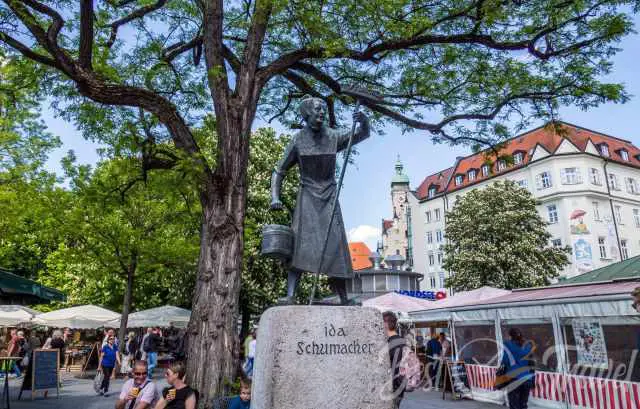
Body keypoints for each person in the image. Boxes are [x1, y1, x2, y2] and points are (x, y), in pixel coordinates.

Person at [270, 96, 370, 304]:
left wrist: (364, 121)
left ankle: (343, 298)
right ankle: (290, 295)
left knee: (336, 248)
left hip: (329, 197)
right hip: (307, 197)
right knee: (299, 246)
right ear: (306, 114)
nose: (322, 113)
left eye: (323, 109)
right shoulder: (298, 140)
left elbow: (362, 134)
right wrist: (275, 197)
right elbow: (279, 170)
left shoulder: (333, 136)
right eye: (317, 110)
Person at [502, 328, 536, 409]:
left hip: (513, 379)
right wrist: (533, 380)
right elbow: (532, 364)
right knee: (523, 405)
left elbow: (505, 361)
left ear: (510, 336)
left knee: (514, 405)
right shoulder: (528, 346)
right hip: (527, 379)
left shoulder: (507, 345)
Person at [383, 311, 405, 409]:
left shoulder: (391, 344)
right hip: (400, 386)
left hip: (393, 388)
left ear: (386, 324)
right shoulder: (402, 341)